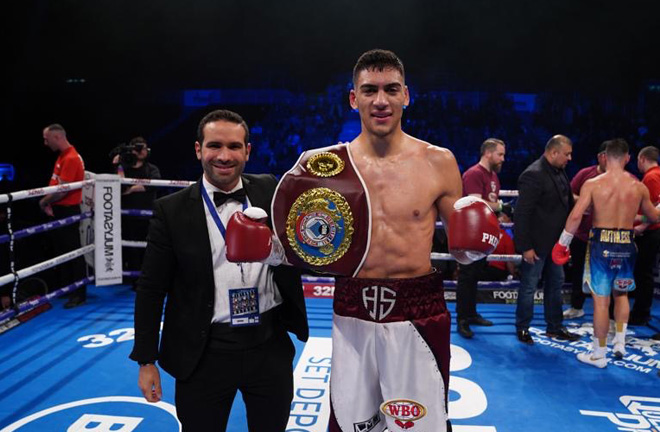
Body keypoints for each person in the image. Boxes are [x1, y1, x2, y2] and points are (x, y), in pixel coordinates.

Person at [230, 49, 501, 432]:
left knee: (422, 426)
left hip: (417, 308)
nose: (381, 100)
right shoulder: (325, 167)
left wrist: (475, 244)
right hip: (352, 307)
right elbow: (305, 245)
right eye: (369, 90)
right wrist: (269, 249)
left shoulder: (438, 161)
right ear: (353, 98)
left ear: (406, 95)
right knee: (355, 424)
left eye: (391, 89)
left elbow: (461, 249)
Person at [129, 109, 308, 431]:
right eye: (214, 146)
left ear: (248, 151)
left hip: (269, 345)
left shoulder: (270, 189)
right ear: (198, 149)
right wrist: (146, 360)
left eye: (234, 146)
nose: (224, 156)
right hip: (204, 352)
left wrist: (274, 252)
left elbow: (302, 248)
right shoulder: (171, 210)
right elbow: (151, 288)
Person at [552, 139, 660, 368]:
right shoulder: (638, 186)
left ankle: (599, 355)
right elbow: (653, 217)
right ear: (628, 158)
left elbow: (576, 216)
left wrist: (563, 242)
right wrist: (637, 217)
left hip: (601, 243)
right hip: (627, 242)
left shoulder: (593, 184)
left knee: (601, 302)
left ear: (605, 157)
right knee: (621, 294)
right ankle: (619, 342)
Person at [514, 135, 580, 344]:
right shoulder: (533, 174)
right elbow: (521, 214)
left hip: (556, 245)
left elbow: (566, 202)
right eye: (566, 154)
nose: (569, 158)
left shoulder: (559, 172)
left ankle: (555, 327)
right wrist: (525, 247)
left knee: (556, 285)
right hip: (536, 245)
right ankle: (523, 328)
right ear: (553, 152)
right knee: (529, 287)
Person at [456, 138, 506, 338]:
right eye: (500, 154)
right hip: (469, 232)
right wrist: (501, 207)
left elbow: (491, 203)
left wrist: (499, 213)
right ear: (488, 153)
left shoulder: (493, 176)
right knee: (467, 275)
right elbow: (477, 202)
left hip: (484, 233)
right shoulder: (474, 174)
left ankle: (471, 313)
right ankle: (462, 318)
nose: (503, 158)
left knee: (476, 274)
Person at [39, 124, 86, 308]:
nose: (45, 142)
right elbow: (56, 187)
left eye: (46, 138)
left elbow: (62, 191)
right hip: (58, 210)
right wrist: (49, 202)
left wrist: (43, 202)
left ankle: (79, 293)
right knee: (62, 252)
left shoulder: (71, 158)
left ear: (57, 137)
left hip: (67, 210)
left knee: (73, 251)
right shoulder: (62, 156)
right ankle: (67, 289)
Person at [563, 143, 608, 319]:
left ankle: (609, 316)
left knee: (606, 276)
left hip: (607, 237)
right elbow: (569, 193)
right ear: (600, 156)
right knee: (578, 272)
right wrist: (584, 201)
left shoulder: (620, 179)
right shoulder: (585, 174)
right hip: (583, 233)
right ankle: (576, 306)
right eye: (605, 155)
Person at [113, 137, 162, 284]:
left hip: (147, 216)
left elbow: (154, 184)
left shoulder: (152, 169)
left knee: (148, 248)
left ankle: (148, 278)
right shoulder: (124, 169)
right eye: (137, 147)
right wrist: (118, 165)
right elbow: (119, 185)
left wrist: (132, 188)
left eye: (143, 147)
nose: (141, 151)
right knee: (130, 248)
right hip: (127, 215)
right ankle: (134, 278)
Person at [630, 146, 660, 326]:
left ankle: (641, 313)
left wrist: (642, 225)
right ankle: (641, 311)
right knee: (643, 272)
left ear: (642, 159)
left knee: (643, 273)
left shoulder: (652, 176)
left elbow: (657, 207)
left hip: (652, 231)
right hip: (651, 229)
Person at [482, 205, 517, 281]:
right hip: (495, 269)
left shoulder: (507, 235)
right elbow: (510, 261)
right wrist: (513, 275)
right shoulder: (506, 237)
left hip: (483, 267)